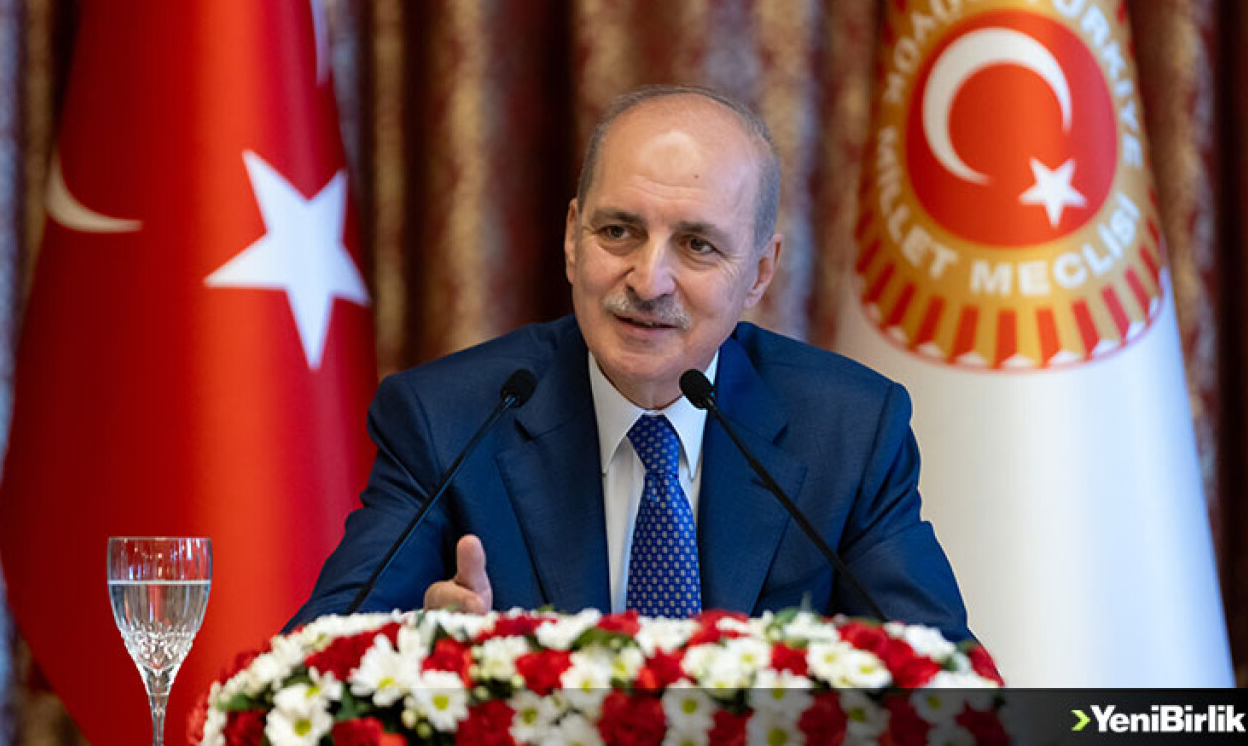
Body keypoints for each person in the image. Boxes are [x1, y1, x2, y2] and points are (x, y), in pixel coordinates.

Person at [288, 85, 970, 640]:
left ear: (760, 273)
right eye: (619, 231)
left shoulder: (848, 430)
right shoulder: (449, 420)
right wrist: (412, 648)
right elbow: (314, 663)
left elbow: (950, 684)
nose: (649, 281)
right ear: (572, 238)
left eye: (698, 245)